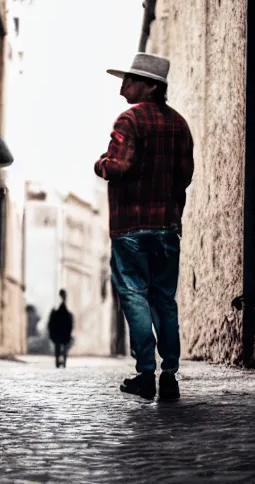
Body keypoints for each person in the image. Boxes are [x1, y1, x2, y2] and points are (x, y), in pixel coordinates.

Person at [94, 53, 194, 400]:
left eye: (131, 80)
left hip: (130, 227)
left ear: (151, 86)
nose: (124, 85)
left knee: (134, 296)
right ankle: (169, 376)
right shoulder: (179, 124)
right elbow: (185, 176)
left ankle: (145, 374)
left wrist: (100, 164)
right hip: (166, 227)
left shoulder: (129, 121)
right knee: (164, 299)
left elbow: (117, 166)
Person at [47, 289, 74, 368]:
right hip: (60, 327)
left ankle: (61, 360)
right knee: (60, 345)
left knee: (60, 345)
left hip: (61, 327)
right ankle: (61, 360)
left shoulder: (61, 305)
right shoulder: (59, 305)